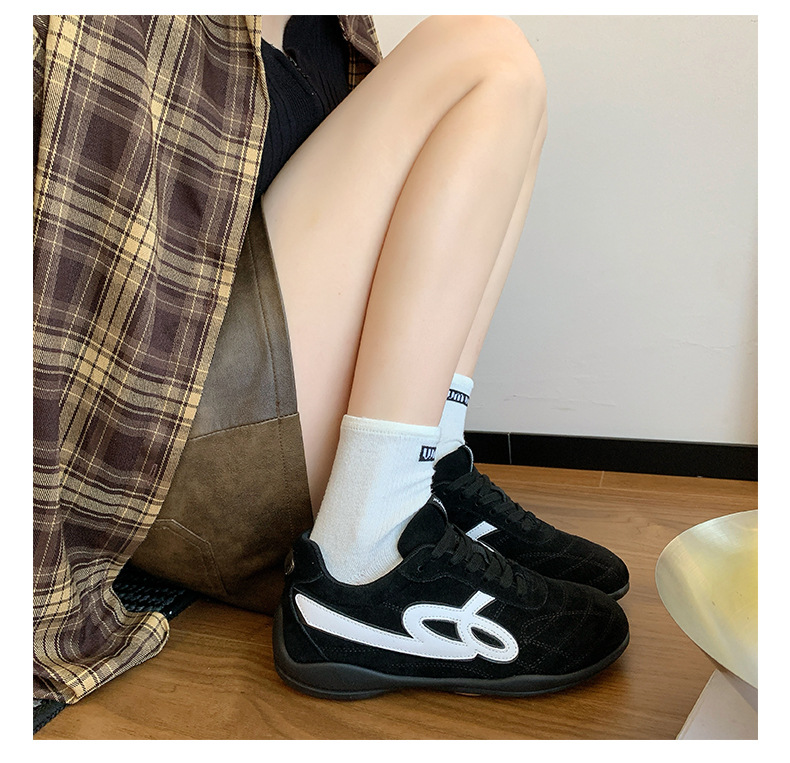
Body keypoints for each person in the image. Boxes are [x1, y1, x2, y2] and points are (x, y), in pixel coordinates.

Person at [33, 14, 628, 705]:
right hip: (165, 455)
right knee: (483, 56)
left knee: (514, 91)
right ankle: (365, 558)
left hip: (274, 433)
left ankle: (423, 472)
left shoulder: (332, 31)